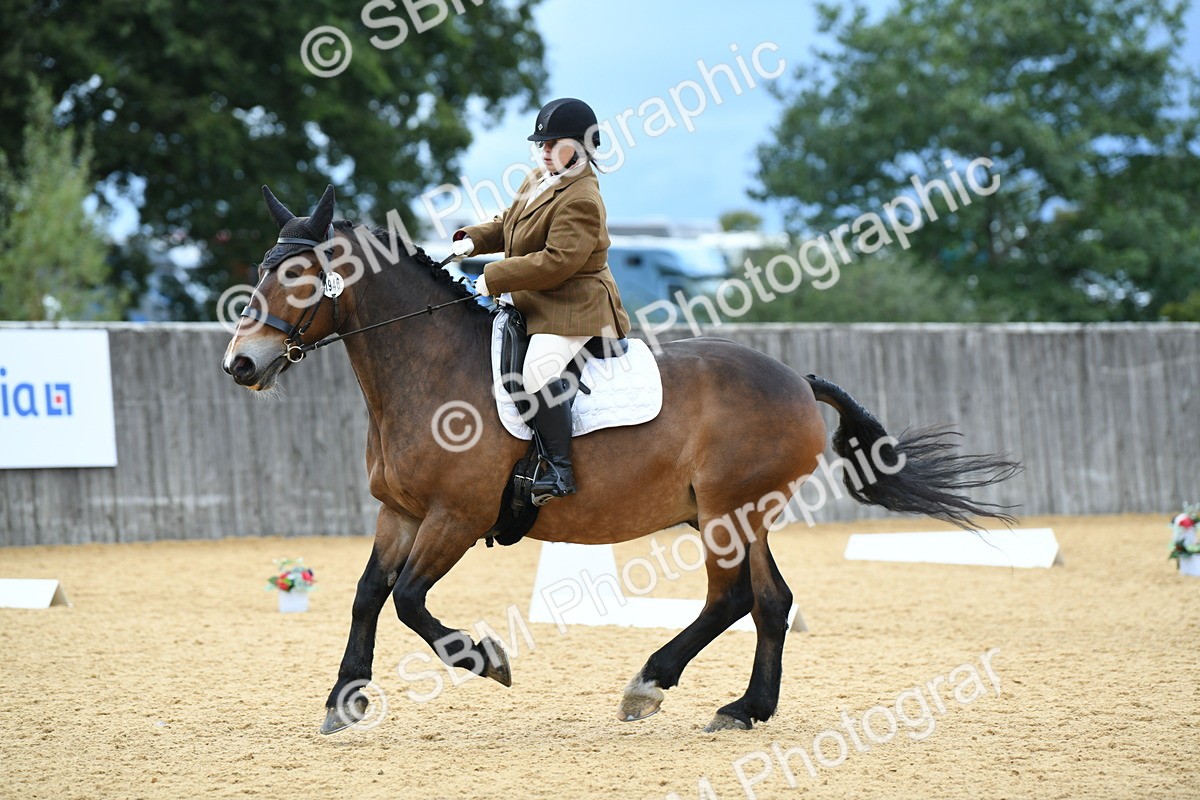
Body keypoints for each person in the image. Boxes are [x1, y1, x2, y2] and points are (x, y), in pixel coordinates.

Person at [451, 97, 632, 502]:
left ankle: (559, 469)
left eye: (554, 144)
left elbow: (557, 262)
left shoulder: (582, 198)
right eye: (541, 144)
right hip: (540, 300)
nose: (545, 151)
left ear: (581, 146)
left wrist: (494, 276)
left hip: (576, 307)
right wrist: (472, 241)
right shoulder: (539, 178)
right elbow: (509, 223)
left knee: (536, 372)